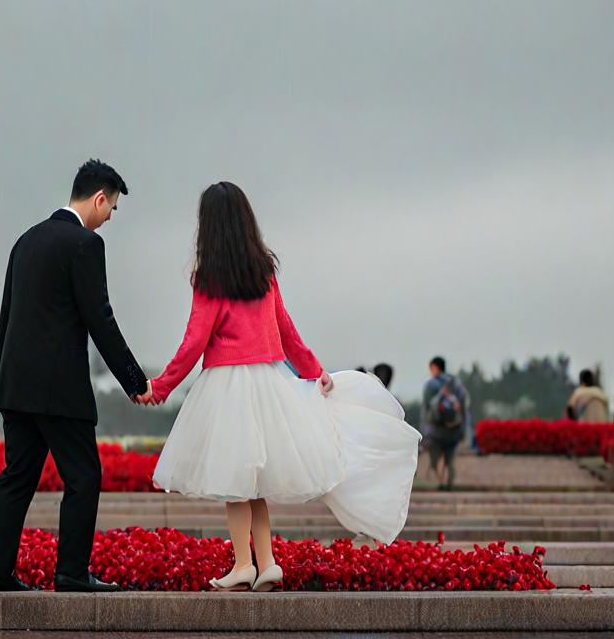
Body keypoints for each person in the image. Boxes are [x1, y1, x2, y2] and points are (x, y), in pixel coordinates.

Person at [149, 181, 421, 592]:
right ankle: (268, 563)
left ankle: (244, 564)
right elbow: (286, 328)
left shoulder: (209, 278)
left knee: (235, 483)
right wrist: (314, 370)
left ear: (207, 226)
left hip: (227, 386)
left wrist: (163, 385)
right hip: (268, 380)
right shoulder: (264, 271)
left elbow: (194, 340)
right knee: (253, 482)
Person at [0, 160, 154, 594]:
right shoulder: (84, 245)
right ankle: (72, 574)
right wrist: (135, 380)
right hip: (60, 391)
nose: (110, 218)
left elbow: (8, 318)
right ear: (99, 198)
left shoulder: (25, 241)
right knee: (84, 478)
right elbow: (101, 320)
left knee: (16, 478)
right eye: (112, 209)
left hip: (15, 387)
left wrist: (2, 383)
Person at [422, 356, 469, 490]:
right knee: (449, 460)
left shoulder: (430, 385)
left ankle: (440, 482)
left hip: (435, 432)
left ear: (435, 368)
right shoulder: (456, 384)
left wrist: (423, 431)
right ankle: (449, 483)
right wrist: (463, 430)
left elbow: (425, 410)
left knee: (435, 458)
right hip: (453, 430)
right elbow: (464, 407)